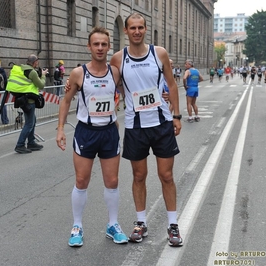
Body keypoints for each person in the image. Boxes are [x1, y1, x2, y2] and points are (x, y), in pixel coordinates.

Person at [110, 13, 183, 246]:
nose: (137, 31)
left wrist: (177, 115)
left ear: (145, 29)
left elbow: (171, 84)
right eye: (132, 28)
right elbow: (104, 78)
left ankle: (173, 226)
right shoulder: (118, 58)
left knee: (166, 175)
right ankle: (140, 223)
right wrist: (74, 81)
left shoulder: (159, 53)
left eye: (141, 27)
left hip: (161, 123)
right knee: (139, 176)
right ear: (126, 31)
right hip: (135, 126)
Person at [56, 27, 128, 247]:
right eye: (95, 44)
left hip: (108, 131)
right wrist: (60, 129)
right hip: (86, 132)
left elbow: (130, 90)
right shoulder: (79, 73)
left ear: (108, 47)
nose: (100, 48)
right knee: (81, 181)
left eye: (104, 44)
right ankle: (77, 225)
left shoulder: (115, 72)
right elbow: (66, 101)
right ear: (89, 46)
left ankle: (112, 224)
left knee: (112, 181)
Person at [7, 54, 47, 154]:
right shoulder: (32, 72)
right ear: (34, 62)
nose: (38, 63)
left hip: (23, 99)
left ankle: (31, 142)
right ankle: (20, 145)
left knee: (32, 120)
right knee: (29, 123)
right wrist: (43, 75)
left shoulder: (22, 69)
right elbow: (41, 85)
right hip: (29, 101)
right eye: (37, 61)